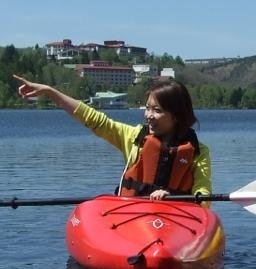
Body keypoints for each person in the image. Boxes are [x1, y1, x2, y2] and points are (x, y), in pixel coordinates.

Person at [13, 75, 211, 201]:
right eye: (147, 108)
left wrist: (173, 197)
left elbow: (203, 192)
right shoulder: (134, 137)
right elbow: (94, 119)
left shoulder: (198, 151)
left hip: (175, 217)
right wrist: (50, 92)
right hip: (132, 215)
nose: (148, 115)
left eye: (157, 110)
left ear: (176, 116)